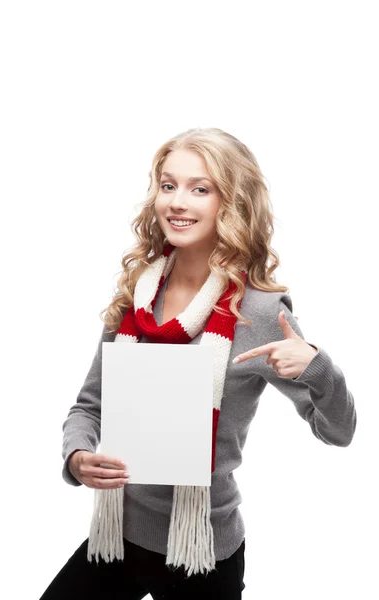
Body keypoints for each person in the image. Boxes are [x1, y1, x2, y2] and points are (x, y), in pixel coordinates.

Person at [39, 127, 357, 599]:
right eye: (168, 185)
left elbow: (338, 431)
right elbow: (89, 407)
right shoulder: (140, 296)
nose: (177, 202)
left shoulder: (261, 312)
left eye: (200, 189)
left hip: (202, 551)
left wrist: (316, 365)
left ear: (232, 202)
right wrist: (78, 456)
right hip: (118, 534)